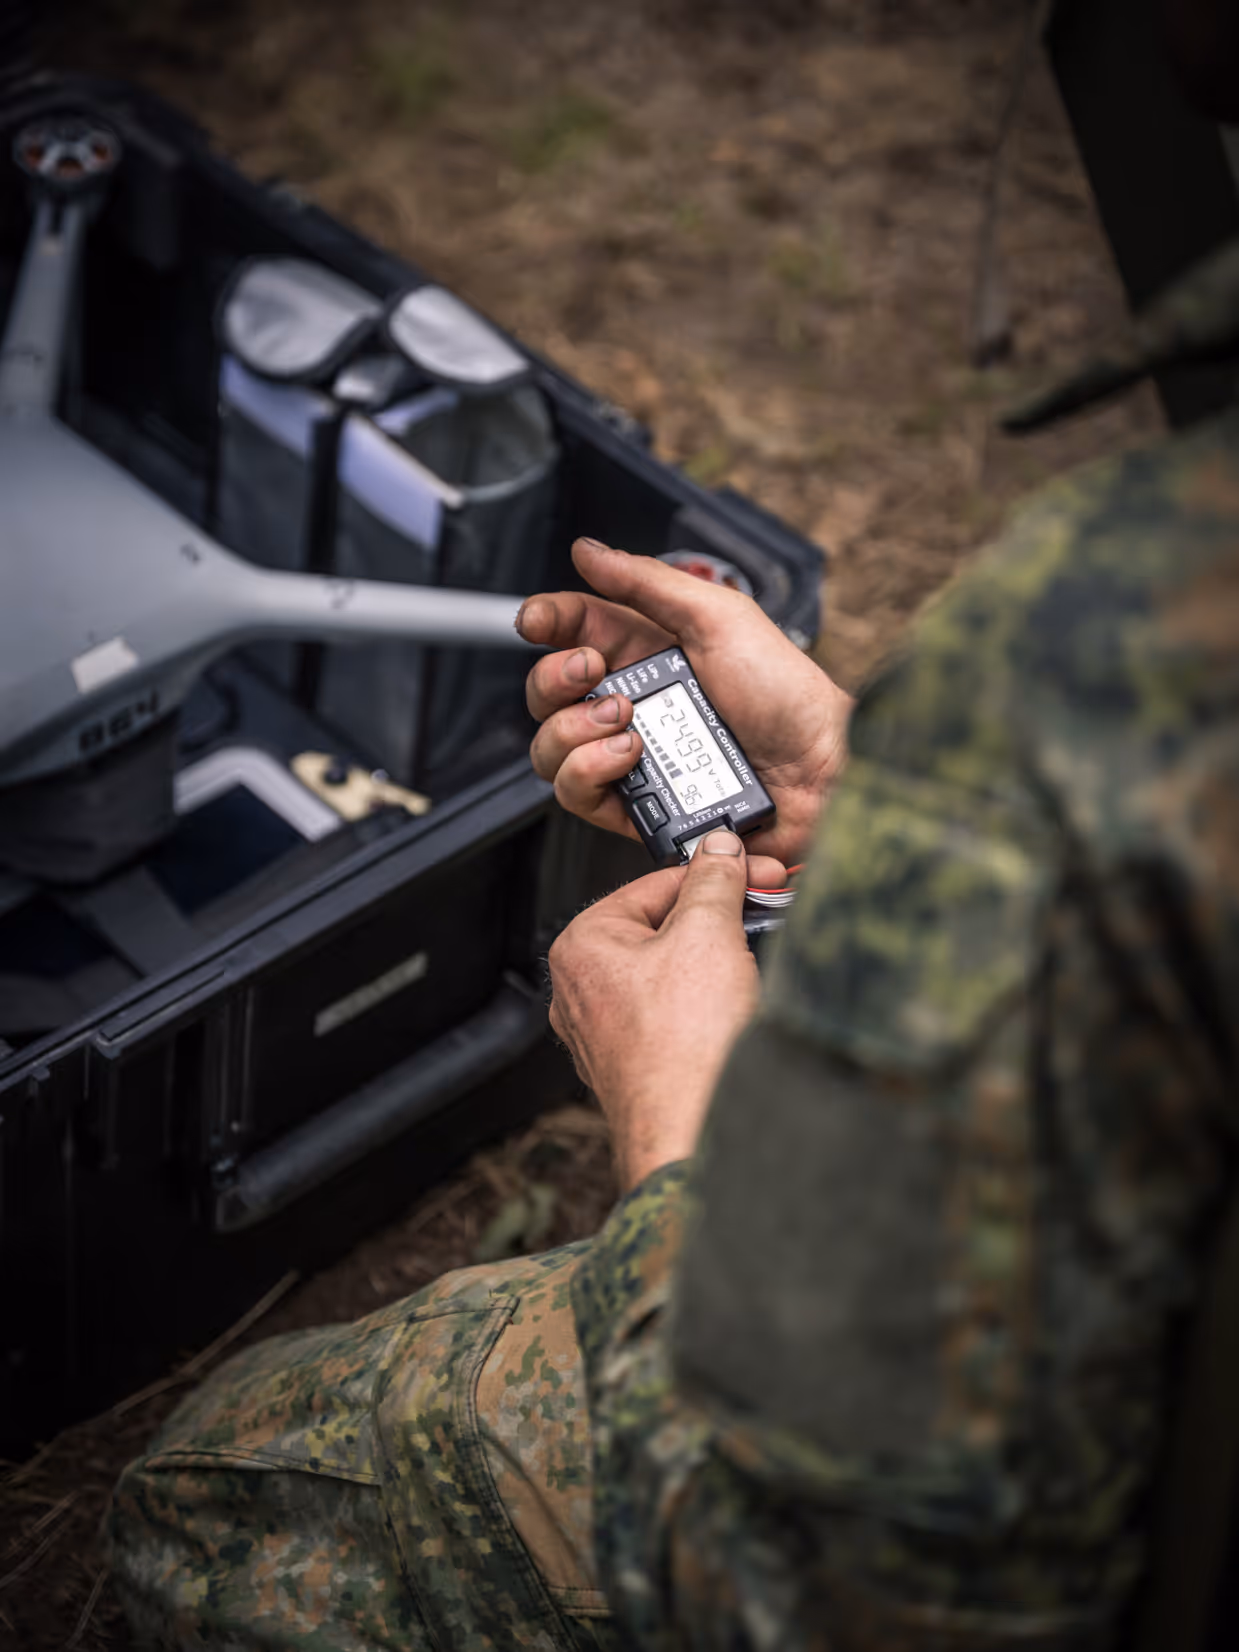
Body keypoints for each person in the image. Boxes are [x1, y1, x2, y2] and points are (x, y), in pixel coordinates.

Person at [108, 19, 1239, 1652]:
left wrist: (679, 1140)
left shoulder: (1137, 605)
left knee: (216, 1484)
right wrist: (869, 802)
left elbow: (822, 1596)